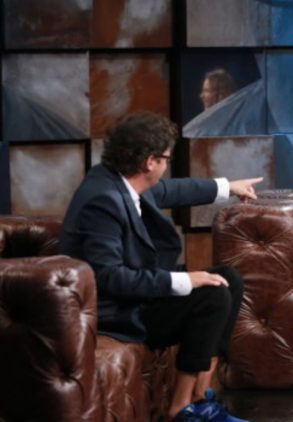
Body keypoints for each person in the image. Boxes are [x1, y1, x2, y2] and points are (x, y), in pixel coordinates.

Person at [60, 111, 262, 421]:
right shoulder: (103, 200)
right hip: (117, 312)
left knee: (228, 278)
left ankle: (201, 396)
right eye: (166, 159)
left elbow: (171, 190)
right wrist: (184, 281)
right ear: (150, 162)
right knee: (212, 295)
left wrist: (228, 187)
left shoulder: (118, 179)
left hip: (137, 296)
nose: (167, 166)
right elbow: (108, 277)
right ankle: (181, 408)